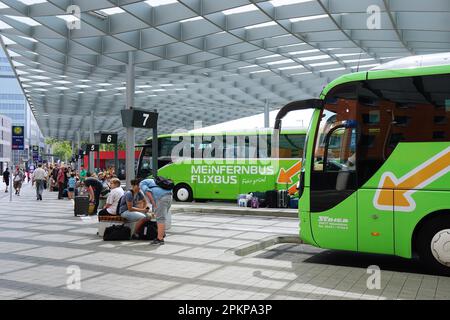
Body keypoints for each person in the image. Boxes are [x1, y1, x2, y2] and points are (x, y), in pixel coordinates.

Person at [140, 178, 173, 245]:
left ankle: (160, 239)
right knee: (162, 217)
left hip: (161, 198)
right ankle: (162, 234)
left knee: (160, 218)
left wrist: (153, 202)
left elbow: (147, 191)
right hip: (169, 196)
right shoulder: (154, 181)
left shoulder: (142, 183)